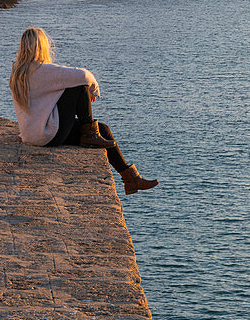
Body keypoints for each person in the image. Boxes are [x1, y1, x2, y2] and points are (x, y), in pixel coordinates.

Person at [9, 26, 158, 197]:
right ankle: (90, 133)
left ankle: (130, 179)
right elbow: (84, 75)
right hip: (48, 135)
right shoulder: (42, 70)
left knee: (102, 128)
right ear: (41, 46)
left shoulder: (17, 72)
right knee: (79, 87)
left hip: (32, 135)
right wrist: (94, 89)